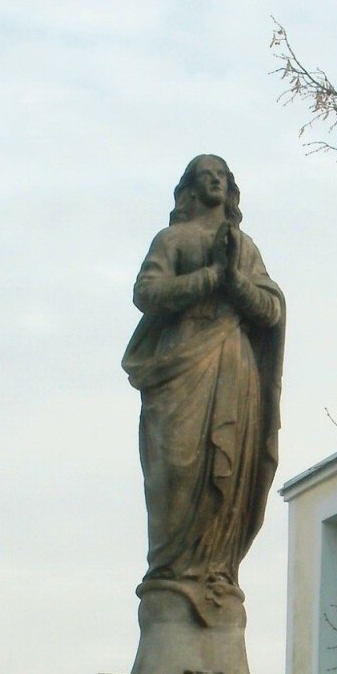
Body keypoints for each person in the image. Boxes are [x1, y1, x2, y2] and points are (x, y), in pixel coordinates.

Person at [121, 156, 285, 609]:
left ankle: (217, 570)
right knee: (176, 469)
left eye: (223, 175)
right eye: (206, 174)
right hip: (181, 363)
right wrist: (212, 276)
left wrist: (235, 281)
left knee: (227, 474)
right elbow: (146, 293)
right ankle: (171, 572)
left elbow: (270, 309)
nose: (215, 179)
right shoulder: (172, 239)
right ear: (190, 189)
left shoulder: (244, 247)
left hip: (232, 365)